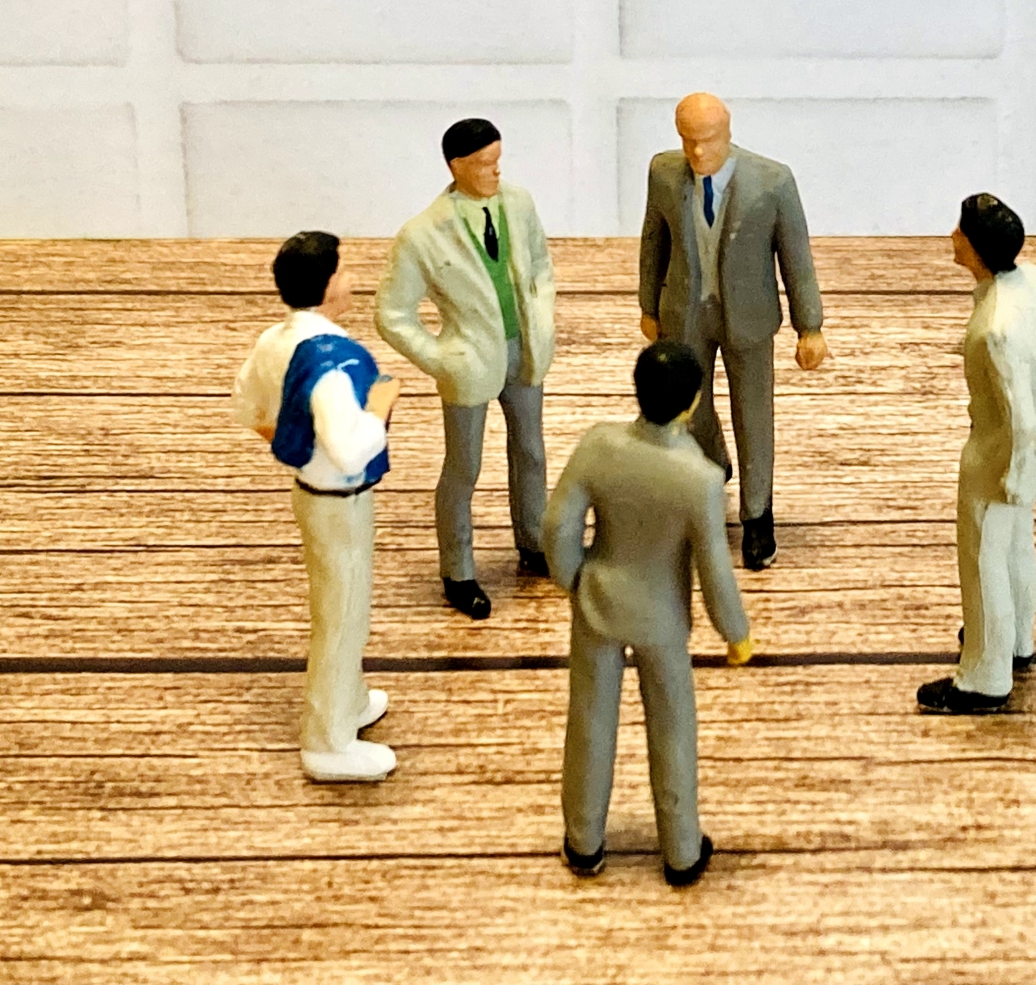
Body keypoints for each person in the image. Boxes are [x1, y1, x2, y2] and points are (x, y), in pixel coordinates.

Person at [544, 341, 755, 885]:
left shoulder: (599, 445)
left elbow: (559, 524)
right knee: (673, 730)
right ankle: (681, 850)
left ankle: (584, 841)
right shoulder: (700, 477)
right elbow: (714, 569)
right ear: (692, 403)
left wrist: (572, 578)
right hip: (662, 618)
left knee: (589, 723)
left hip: (597, 603)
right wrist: (735, 632)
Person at [232, 231, 401, 782]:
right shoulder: (333, 363)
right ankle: (328, 741)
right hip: (339, 499)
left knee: (343, 605)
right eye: (344, 271)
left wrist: (296, 450)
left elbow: (248, 405)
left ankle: (347, 699)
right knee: (342, 615)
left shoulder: (275, 340)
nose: (352, 280)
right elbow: (350, 449)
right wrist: (379, 407)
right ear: (326, 286)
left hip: (311, 492)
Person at [637, 93, 828, 570]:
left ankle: (757, 514)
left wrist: (810, 325)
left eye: (708, 140)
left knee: (754, 414)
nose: (698, 152)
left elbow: (796, 256)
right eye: (688, 141)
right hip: (686, 311)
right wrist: (648, 305)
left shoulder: (772, 181)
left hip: (749, 315)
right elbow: (653, 239)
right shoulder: (664, 173)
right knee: (689, 407)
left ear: (728, 132)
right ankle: (712, 463)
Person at [376, 118, 556, 619]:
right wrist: (439, 359)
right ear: (456, 167)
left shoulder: (518, 204)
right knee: (464, 467)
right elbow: (392, 313)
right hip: (469, 362)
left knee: (531, 451)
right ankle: (457, 570)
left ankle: (534, 541)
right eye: (482, 164)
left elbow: (541, 266)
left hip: (523, 350)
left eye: (497, 161)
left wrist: (541, 318)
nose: (494, 171)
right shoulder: (422, 234)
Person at [918, 194, 1036, 715]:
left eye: (960, 231)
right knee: (1015, 547)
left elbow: (1018, 415)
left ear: (977, 248)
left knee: (983, 561)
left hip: (997, 455)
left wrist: (1016, 468)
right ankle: (1016, 637)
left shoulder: (994, 331)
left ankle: (984, 676)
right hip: (1029, 449)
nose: (952, 236)